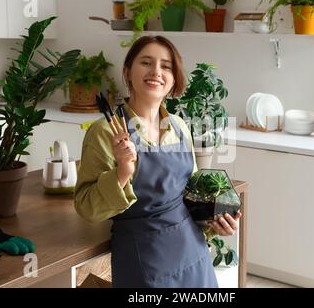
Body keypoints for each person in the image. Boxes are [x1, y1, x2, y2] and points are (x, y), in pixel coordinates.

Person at [74, 35, 241, 288]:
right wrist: (123, 171)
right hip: (144, 261)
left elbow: (191, 199)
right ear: (127, 72)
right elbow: (86, 207)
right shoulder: (105, 132)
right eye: (146, 62)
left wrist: (216, 221)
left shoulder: (180, 126)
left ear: (174, 78)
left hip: (193, 254)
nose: (156, 72)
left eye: (166, 66)